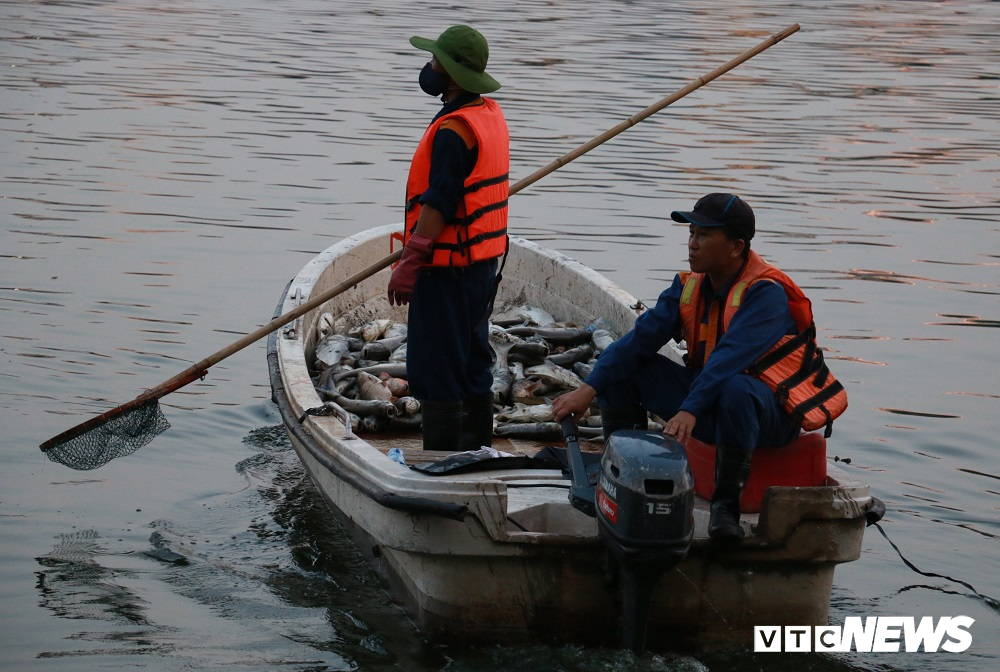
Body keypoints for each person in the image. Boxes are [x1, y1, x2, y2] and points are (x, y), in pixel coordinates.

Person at [553, 193, 846, 542]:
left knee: (737, 388)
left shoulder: (766, 293)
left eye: (704, 236)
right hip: (709, 401)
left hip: (765, 414)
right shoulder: (688, 286)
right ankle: (624, 477)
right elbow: (639, 340)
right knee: (626, 368)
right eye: (691, 234)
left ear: (736, 247)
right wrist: (587, 390)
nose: (692, 244)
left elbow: (730, 358)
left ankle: (726, 509)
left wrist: (690, 408)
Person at [387, 25, 509, 452]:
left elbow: (439, 202)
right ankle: (477, 450)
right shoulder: (486, 113)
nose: (429, 68)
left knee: (438, 367)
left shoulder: (453, 131)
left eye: (436, 62)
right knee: (474, 360)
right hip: (481, 267)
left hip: (448, 271)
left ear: (454, 75)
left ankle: (444, 463)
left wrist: (411, 259)